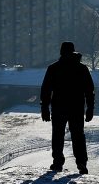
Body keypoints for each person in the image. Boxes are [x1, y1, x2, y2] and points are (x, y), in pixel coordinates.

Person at [40, 41, 95, 174]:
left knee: (57, 135)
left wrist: (45, 108)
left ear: (61, 52)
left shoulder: (54, 68)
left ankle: (58, 162)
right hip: (76, 107)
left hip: (58, 107)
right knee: (78, 135)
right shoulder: (82, 68)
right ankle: (81, 162)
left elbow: (46, 90)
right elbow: (89, 90)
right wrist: (90, 108)